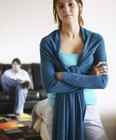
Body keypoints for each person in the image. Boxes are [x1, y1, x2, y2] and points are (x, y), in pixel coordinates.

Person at [31, 0, 109, 140]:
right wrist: (89, 78)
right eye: (61, 6)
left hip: (89, 109)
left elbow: (102, 82)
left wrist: (64, 76)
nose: (66, 9)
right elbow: (50, 85)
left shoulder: (96, 40)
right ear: (56, 10)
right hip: (58, 110)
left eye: (70, 4)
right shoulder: (48, 42)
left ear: (79, 6)